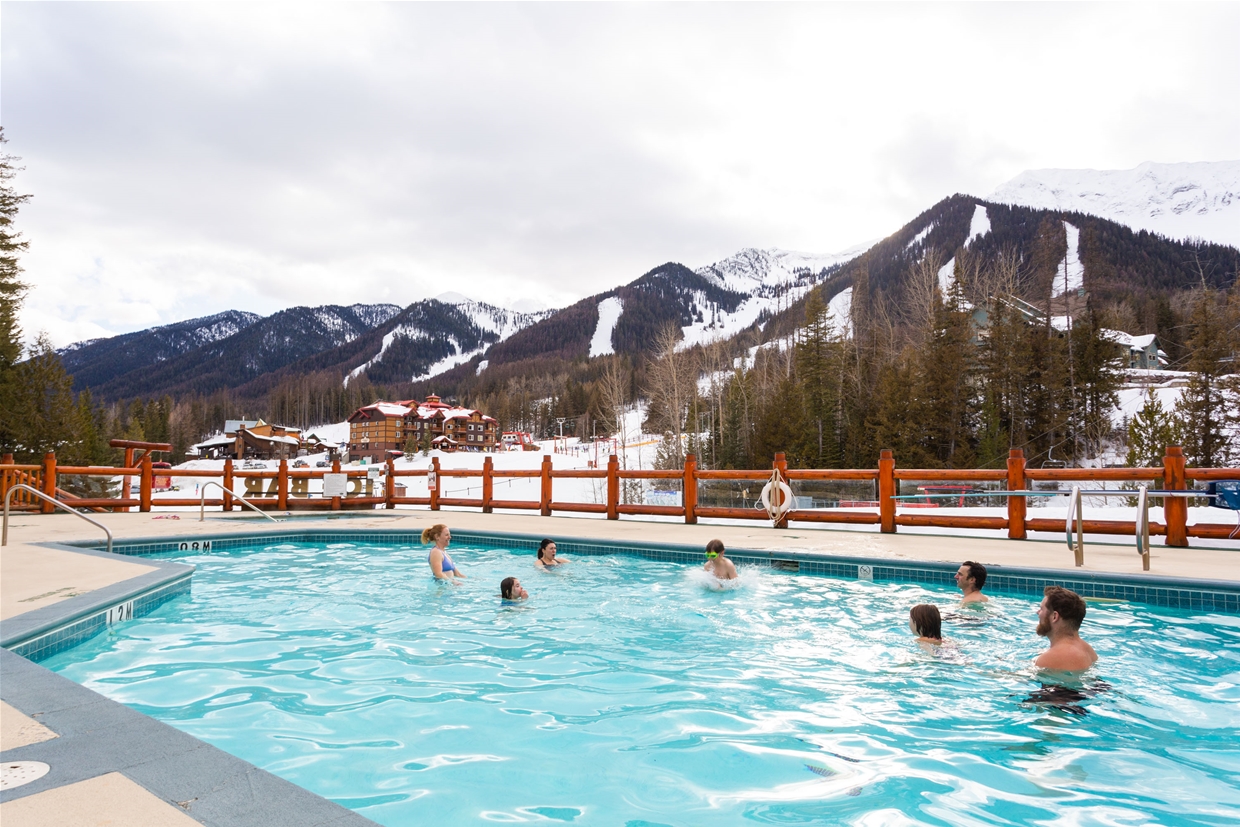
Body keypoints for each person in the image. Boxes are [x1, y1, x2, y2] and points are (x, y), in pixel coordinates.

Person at [1034, 586, 1097, 671]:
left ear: (1054, 617)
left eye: (1041, 609)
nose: (1037, 612)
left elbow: (1023, 679)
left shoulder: (1050, 658)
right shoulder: (1088, 650)